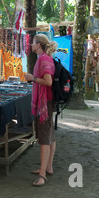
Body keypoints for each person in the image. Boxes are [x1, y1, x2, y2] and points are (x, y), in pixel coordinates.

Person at [24, 34, 58, 187]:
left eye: (32, 42)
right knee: (49, 135)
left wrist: (32, 78)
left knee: (44, 138)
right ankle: (48, 167)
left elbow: (48, 82)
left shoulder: (43, 59)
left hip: (45, 103)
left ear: (38, 45)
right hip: (47, 102)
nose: (31, 45)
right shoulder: (44, 58)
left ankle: (43, 175)